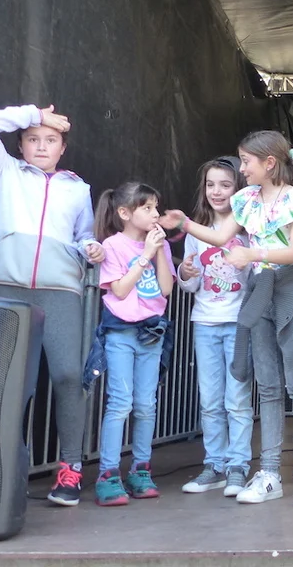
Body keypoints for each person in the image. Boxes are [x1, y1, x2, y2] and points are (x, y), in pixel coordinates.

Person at [161, 130, 293, 507]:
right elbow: (219, 235)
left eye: (246, 162)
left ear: (269, 163)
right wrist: (184, 224)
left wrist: (252, 254)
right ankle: (269, 472)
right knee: (269, 386)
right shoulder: (245, 200)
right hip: (261, 290)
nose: (241, 169)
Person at [0, 103, 104, 506]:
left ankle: (71, 468)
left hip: (60, 291)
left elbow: (83, 235)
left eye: (51, 140)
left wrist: (90, 247)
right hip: (8, 288)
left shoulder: (78, 188)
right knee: (4, 384)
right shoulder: (4, 171)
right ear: (20, 144)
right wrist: (35, 114)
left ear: (62, 148)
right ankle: (1, 472)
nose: (41, 146)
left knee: (69, 375)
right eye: (33, 139)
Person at [87, 182, 176, 506]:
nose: (155, 213)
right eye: (147, 207)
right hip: (121, 333)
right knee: (120, 402)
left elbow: (165, 289)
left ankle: (141, 469)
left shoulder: (160, 245)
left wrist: (159, 250)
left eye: (156, 207)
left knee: (145, 404)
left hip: (152, 333)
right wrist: (146, 255)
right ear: (125, 213)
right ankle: (108, 474)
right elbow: (120, 290)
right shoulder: (113, 245)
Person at [177, 157, 255, 498]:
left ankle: (238, 466)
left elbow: (257, 276)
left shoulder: (248, 231)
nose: (217, 191)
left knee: (236, 399)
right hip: (205, 322)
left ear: (239, 189)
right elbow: (191, 283)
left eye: (225, 184)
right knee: (209, 400)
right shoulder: (196, 232)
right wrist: (185, 274)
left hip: (238, 323)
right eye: (211, 184)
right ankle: (215, 465)